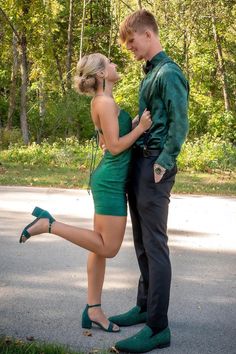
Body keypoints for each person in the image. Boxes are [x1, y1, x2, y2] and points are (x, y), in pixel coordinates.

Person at [19, 53, 152, 333]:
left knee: (98, 248)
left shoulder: (103, 102)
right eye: (110, 62)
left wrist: (132, 124)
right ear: (102, 74)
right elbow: (115, 147)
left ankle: (93, 310)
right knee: (108, 247)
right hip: (111, 182)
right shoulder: (104, 102)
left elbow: (106, 141)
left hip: (109, 178)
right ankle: (49, 224)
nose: (115, 64)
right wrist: (140, 129)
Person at [108, 9, 189, 352]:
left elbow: (179, 123)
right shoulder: (151, 72)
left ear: (148, 34)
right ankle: (144, 307)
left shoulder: (169, 73)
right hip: (141, 165)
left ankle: (158, 327)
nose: (129, 48)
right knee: (141, 242)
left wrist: (164, 162)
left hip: (155, 165)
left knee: (155, 247)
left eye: (131, 41)